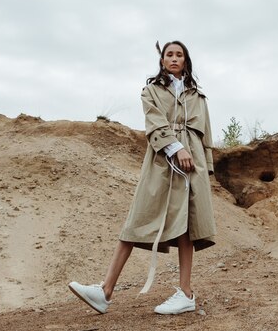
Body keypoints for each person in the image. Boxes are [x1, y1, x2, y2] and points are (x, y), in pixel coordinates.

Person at [69, 40, 216, 315]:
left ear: (186, 61)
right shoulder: (150, 91)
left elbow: (206, 134)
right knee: (137, 217)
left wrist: (205, 169)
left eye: (179, 55)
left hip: (192, 164)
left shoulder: (199, 97)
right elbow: (154, 122)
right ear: (162, 61)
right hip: (162, 160)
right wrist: (177, 147)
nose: (174, 58)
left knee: (187, 224)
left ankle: (185, 293)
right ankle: (105, 291)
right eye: (168, 54)